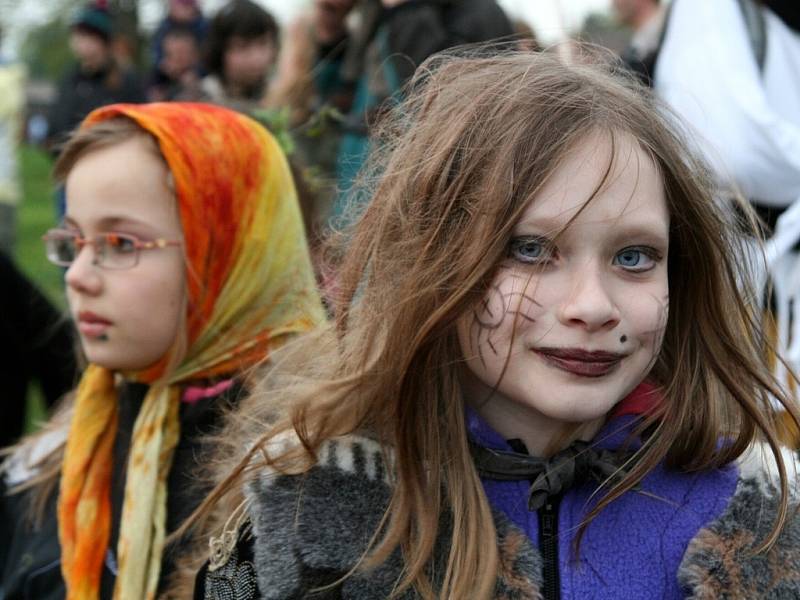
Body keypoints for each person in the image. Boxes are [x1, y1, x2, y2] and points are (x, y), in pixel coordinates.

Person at [184, 51, 800, 599]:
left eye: (634, 257)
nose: (591, 305)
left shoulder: (763, 518)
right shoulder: (312, 506)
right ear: (433, 260)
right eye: (530, 249)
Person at [0, 102, 325, 599]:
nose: (79, 277)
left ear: (228, 253)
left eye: (120, 243)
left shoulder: (303, 481)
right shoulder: (60, 459)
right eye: (73, 241)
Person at [47, 2, 145, 153]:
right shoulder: (70, 79)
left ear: (103, 41)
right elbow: (56, 127)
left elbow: (138, 127)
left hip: (114, 162)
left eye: (86, 35)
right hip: (73, 163)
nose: (79, 41)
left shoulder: (126, 81)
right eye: (77, 35)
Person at [200, 0, 280, 114]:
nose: (256, 58)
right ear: (219, 51)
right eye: (242, 47)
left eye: (263, 43)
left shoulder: (280, 98)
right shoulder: (201, 101)